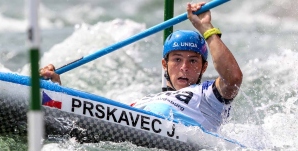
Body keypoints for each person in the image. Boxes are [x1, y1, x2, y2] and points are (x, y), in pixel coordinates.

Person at [40, 2, 242, 132]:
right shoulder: (143, 101)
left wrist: (206, 28)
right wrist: (57, 90)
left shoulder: (208, 97)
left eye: (193, 61)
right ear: (165, 64)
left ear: (204, 67)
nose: (184, 67)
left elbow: (232, 78)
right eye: (177, 59)